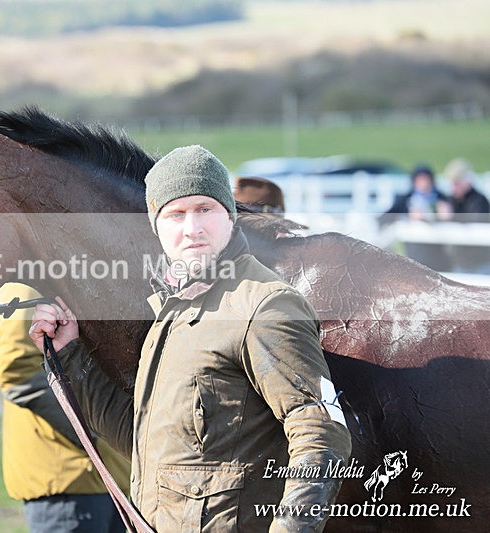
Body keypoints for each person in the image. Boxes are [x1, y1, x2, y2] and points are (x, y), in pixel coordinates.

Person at [29, 146, 352, 531]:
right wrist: (69, 355)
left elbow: (320, 432)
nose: (192, 228)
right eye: (176, 214)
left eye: (205, 209)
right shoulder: (170, 310)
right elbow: (144, 444)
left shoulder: (264, 305)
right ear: (156, 226)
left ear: (230, 215)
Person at [0, 282, 130, 533]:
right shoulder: (26, 283)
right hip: (68, 481)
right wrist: (99, 435)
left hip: (115, 476)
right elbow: (20, 375)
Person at [379, 164, 453, 271]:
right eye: (420, 180)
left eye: (426, 180)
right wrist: (407, 216)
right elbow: (387, 216)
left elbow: (455, 216)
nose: (423, 184)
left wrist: (447, 215)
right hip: (414, 251)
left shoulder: (441, 198)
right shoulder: (406, 199)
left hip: (436, 251)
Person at [442, 158, 490, 273]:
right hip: (459, 262)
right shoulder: (452, 200)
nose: (454, 187)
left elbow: (474, 222)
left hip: (480, 263)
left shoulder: (479, 200)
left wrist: (451, 217)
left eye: (457, 183)